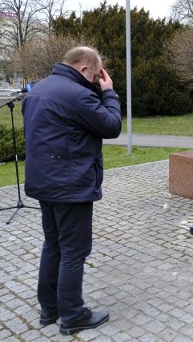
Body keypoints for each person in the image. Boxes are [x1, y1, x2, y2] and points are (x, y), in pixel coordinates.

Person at [22, 46, 122, 335]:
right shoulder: (78, 94)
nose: (97, 81)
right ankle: (73, 315)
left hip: (44, 182)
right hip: (70, 183)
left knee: (53, 244)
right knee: (74, 250)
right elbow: (112, 125)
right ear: (83, 69)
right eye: (96, 75)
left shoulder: (39, 89)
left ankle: (49, 309)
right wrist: (109, 92)